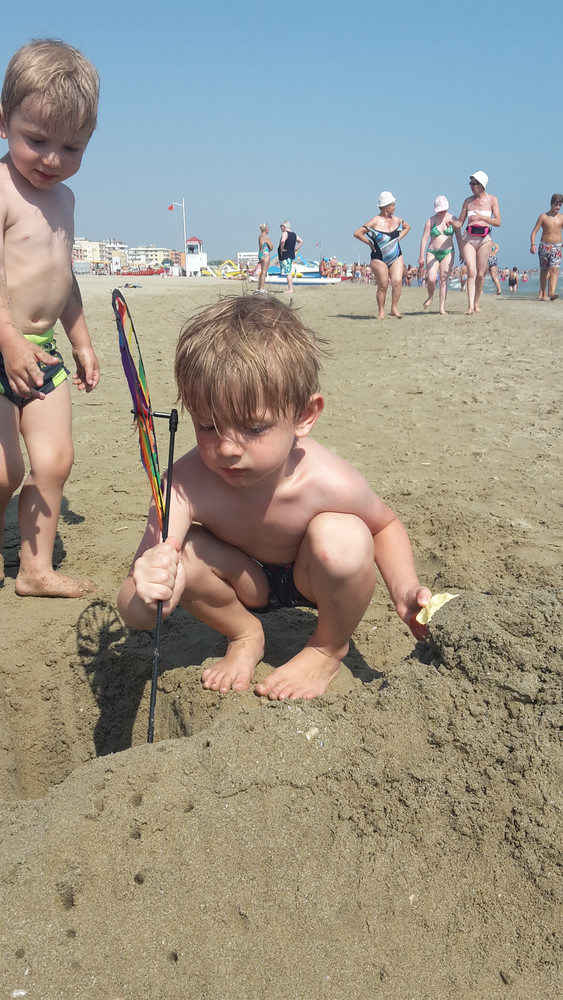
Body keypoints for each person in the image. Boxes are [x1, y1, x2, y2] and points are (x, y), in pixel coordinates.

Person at [117, 295, 432, 701]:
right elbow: (132, 605)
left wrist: (404, 588)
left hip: (310, 577)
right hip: (244, 581)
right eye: (208, 425)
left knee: (345, 536)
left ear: (304, 416)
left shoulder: (328, 479)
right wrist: (148, 595)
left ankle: (327, 648)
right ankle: (245, 634)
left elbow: (384, 526)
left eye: (254, 428)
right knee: (182, 553)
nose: (227, 448)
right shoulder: (183, 484)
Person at [0, 39, 101, 597]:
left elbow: (63, 276)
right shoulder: (1, 189)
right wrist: (9, 338)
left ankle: (35, 571)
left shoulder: (65, 200)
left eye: (71, 147)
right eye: (36, 140)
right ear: (3, 121)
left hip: (42, 352)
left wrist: (80, 340)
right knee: (4, 470)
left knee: (55, 459)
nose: (52, 159)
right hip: (1, 345)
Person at [353, 191, 410, 319]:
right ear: (385, 206)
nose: (395, 207)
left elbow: (407, 227)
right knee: (383, 285)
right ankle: (381, 312)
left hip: (396, 255)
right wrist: (369, 243)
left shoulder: (397, 220)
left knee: (397, 282)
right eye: (392, 205)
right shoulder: (375, 221)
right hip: (379, 257)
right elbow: (357, 233)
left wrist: (399, 238)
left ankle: (394, 308)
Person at [451, 171, 501, 314]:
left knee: (480, 274)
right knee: (471, 272)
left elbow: (498, 222)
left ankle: (476, 303)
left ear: (482, 184)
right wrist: (450, 221)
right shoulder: (468, 201)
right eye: (470, 183)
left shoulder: (492, 200)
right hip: (469, 238)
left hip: (485, 240)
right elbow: (460, 222)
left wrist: (482, 218)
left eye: (474, 184)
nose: (471, 186)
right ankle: (470, 307)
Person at [418, 195, 455, 314]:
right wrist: (421, 256)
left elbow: (459, 237)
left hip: (448, 252)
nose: (442, 211)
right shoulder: (430, 221)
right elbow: (424, 239)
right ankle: (430, 296)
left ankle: (441, 308)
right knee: (432, 279)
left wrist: (462, 253)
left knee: (443, 280)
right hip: (432, 252)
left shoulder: (453, 219)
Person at [530, 193, 563, 301]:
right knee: (544, 271)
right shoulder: (543, 217)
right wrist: (532, 244)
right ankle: (543, 293)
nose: (557, 207)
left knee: (554, 269)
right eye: (556, 205)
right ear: (551, 204)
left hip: (557, 246)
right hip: (544, 246)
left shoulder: (561, 217)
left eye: (560, 205)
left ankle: (552, 293)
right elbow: (534, 231)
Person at [278, 221, 303, 295]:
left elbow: (283, 241)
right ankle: (290, 288)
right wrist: (296, 249)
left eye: (281, 226)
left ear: (284, 226)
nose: (280, 228)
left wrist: (281, 249)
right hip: (291, 254)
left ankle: (290, 289)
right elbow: (301, 241)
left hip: (286, 254)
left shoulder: (285, 233)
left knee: (287, 272)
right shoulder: (294, 234)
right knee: (288, 272)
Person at [256, 223, 273, 293]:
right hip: (265, 254)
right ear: (266, 229)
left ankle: (259, 287)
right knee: (264, 272)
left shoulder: (260, 236)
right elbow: (271, 247)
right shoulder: (266, 237)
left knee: (261, 272)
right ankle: (261, 288)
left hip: (260, 253)